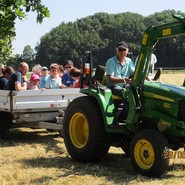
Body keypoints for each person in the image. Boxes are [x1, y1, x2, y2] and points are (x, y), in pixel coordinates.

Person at [106, 41, 135, 121]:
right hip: (113, 86)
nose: (122, 52)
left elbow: (134, 73)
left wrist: (148, 79)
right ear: (116, 50)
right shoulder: (110, 61)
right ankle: (123, 119)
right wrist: (124, 80)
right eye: (120, 50)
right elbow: (110, 79)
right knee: (126, 94)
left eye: (124, 50)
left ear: (127, 51)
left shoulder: (129, 61)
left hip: (125, 86)